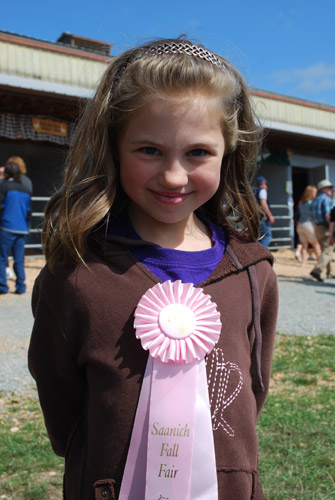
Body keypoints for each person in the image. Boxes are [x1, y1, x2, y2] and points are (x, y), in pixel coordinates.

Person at [28, 38, 278, 500]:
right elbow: (61, 404)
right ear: (114, 148)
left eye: (198, 152)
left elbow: (251, 392)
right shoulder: (76, 275)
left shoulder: (253, 272)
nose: (174, 176)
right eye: (149, 150)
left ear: (229, 152)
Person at [0, 161, 31, 294]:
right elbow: (29, 212)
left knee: (2, 258)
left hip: (6, 227)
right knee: (19, 259)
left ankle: (3, 287)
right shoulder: (26, 189)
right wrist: (27, 226)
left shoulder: (4, 186)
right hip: (21, 228)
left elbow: (1, 207)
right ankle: (21, 287)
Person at [310, 179, 334, 281]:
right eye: (329, 188)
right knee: (328, 250)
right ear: (323, 189)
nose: (331, 190)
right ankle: (317, 270)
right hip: (325, 228)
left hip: (316, 228)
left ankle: (330, 272)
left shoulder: (315, 199)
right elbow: (328, 215)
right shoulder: (327, 199)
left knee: (325, 249)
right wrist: (332, 228)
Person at [296, 185, 321, 267]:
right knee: (316, 244)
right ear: (310, 193)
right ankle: (320, 263)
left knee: (304, 245)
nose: (315, 194)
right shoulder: (311, 203)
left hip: (300, 225)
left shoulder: (301, 203)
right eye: (314, 192)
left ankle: (303, 264)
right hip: (307, 224)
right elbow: (313, 215)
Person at [254, 176, 275, 247]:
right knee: (267, 236)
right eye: (265, 184)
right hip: (263, 217)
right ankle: (262, 253)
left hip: (255, 217)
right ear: (262, 184)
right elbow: (263, 204)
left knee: (259, 236)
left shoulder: (254, 191)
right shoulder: (262, 191)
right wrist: (270, 215)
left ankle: (257, 253)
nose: (266, 186)